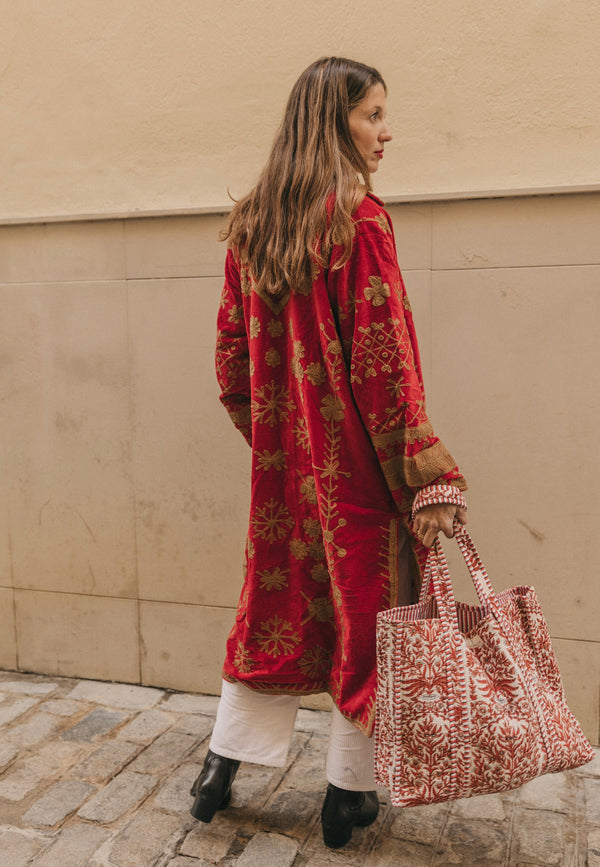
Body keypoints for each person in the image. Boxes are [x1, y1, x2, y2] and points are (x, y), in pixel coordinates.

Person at [190, 56, 468, 849]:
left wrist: (282, 443)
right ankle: (347, 798)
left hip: (284, 477)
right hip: (359, 478)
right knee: (367, 621)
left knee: (272, 613)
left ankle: (219, 772)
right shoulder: (358, 221)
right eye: (372, 115)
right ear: (332, 121)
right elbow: (385, 364)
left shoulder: (253, 224)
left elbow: (231, 371)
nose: (387, 131)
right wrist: (427, 473)